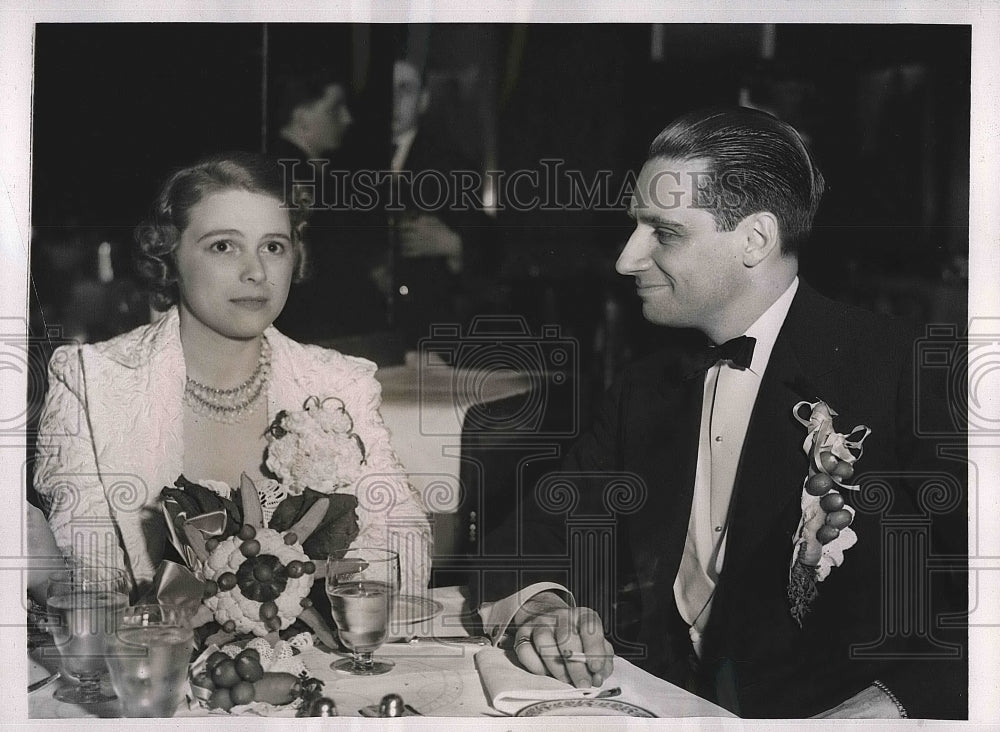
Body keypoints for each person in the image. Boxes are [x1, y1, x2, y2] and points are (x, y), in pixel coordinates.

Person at [478, 108, 967, 719]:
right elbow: (532, 534)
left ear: (755, 240)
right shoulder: (646, 385)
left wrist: (887, 708)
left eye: (665, 232)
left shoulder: (911, 372)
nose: (626, 259)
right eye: (635, 227)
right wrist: (544, 609)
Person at [33, 153, 432, 599]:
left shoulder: (338, 384)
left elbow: (404, 542)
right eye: (224, 246)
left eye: (273, 247)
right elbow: (87, 579)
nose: (256, 272)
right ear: (169, 255)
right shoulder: (91, 382)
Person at [270, 74, 389, 340]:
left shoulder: (316, 173)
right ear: (302, 117)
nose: (347, 118)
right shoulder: (282, 176)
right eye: (335, 108)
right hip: (314, 331)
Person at [385, 59, 494, 347]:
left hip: (427, 331)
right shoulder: (353, 160)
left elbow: (487, 245)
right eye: (388, 90)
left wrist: (453, 244)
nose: (394, 101)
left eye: (405, 90)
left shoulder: (451, 164)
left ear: (423, 101)